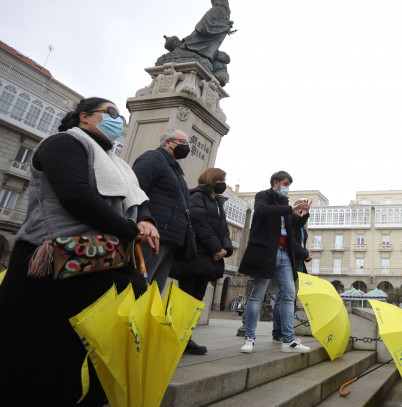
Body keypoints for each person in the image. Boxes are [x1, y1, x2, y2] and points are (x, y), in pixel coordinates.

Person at [0, 98, 159, 406]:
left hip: (102, 257)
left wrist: (147, 221)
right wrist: (129, 231)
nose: (119, 120)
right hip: (55, 259)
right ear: (84, 116)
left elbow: (137, 198)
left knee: (81, 352)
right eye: (110, 113)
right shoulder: (63, 142)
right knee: (38, 349)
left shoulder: (118, 163)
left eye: (122, 117)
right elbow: (76, 194)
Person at [239, 171, 311, 354]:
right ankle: (249, 338)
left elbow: (292, 225)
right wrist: (290, 209)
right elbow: (263, 211)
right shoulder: (263, 196)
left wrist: (302, 214)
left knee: (288, 294)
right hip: (266, 253)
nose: (287, 188)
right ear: (276, 183)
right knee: (257, 295)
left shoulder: (285, 203)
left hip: (284, 254)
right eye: (285, 184)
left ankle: (288, 340)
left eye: (289, 185)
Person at [175, 168, 234, 355]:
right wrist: (216, 247)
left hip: (209, 258)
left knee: (196, 299)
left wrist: (226, 249)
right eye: (221, 179)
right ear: (212, 179)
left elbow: (224, 228)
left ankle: (185, 338)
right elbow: (197, 220)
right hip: (195, 255)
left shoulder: (218, 202)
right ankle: (176, 337)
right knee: (186, 298)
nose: (224, 182)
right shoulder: (196, 196)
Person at [132, 128, 192, 291]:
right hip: (152, 236)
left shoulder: (175, 169)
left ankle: (145, 318)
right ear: (167, 142)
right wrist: (142, 220)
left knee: (154, 291)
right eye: (182, 142)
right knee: (140, 287)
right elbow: (135, 190)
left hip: (169, 239)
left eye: (188, 143)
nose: (187, 146)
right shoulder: (153, 158)